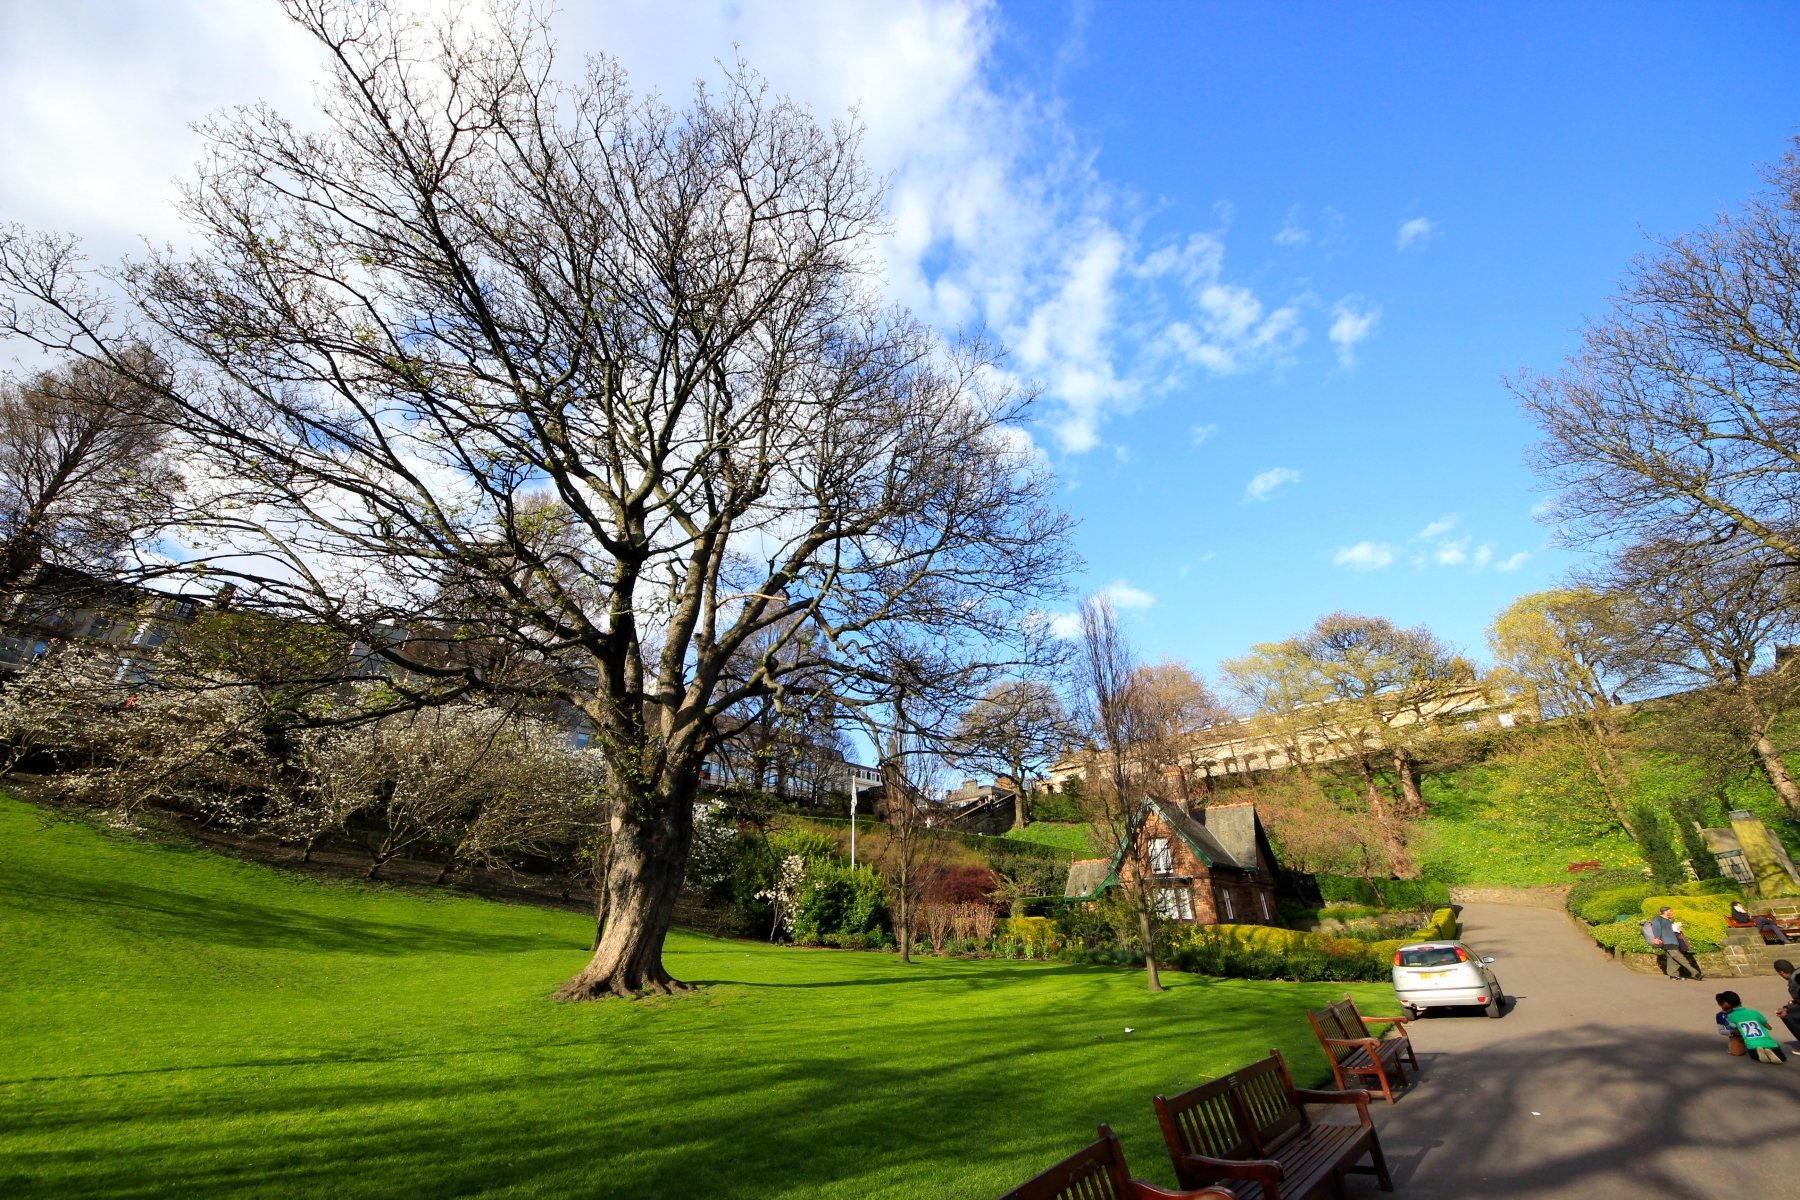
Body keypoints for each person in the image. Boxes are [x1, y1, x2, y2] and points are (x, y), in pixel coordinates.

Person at [1716, 990, 1788, 1064]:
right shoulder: (1754, 1012)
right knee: (1782, 1058)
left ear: (1727, 1003)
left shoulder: (1731, 1016)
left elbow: (1735, 1029)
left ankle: (1758, 1054)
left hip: (1751, 1042)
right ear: (1741, 1000)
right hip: (1767, 1041)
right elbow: (1769, 1027)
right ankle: (1769, 1050)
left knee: (1753, 1054)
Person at [1649, 906, 1703, 981]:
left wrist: (1677, 929)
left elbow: (1671, 931)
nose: (1672, 912)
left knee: (1673, 960)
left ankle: (1673, 975)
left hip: (1674, 941)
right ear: (1665, 912)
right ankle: (1696, 973)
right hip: (1668, 942)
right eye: (1670, 911)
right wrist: (1657, 938)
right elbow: (1656, 928)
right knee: (1681, 958)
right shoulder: (1658, 919)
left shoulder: (1669, 920)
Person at [1775, 959, 1800, 1045]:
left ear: (1781, 972)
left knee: (1787, 1016)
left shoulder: (1794, 981)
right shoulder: (1798, 972)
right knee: (1787, 1008)